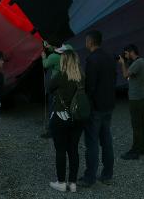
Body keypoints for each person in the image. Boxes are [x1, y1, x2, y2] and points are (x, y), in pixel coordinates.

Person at [79, 30, 116, 187]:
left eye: (86, 41)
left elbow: (90, 87)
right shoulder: (109, 57)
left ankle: (90, 177)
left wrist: (86, 106)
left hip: (95, 108)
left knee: (92, 142)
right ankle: (107, 174)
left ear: (90, 41)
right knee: (106, 140)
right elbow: (114, 79)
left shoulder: (92, 60)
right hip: (108, 105)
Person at [48, 49, 84, 193]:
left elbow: (49, 88)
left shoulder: (60, 76)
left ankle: (61, 183)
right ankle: (73, 183)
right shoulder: (82, 76)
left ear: (64, 61)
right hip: (78, 117)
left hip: (61, 117)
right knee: (74, 150)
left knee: (61, 150)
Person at [118, 44, 144, 160]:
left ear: (131, 52)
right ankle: (142, 148)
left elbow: (126, 75)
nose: (125, 56)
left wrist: (122, 64)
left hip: (136, 98)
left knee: (136, 125)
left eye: (126, 53)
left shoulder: (137, 63)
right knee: (141, 124)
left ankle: (135, 151)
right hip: (142, 96)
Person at [40, 42, 67, 138]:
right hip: (66, 83)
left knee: (53, 107)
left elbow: (45, 65)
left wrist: (43, 56)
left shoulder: (53, 57)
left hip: (55, 84)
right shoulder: (67, 51)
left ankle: (52, 130)